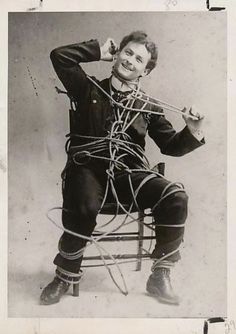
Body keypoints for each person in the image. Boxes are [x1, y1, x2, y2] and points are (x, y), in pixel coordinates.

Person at [40, 31, 205, 306]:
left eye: (139, 59)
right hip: (87, 170)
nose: (130, 61)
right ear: (117, 55)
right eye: (127, 53)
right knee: (84, 205)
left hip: (128, 175)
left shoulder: (149, 105)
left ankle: (160, 274)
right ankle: (65, 274)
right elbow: (59, 57)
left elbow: (170, 146)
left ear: (146, 70)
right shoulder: (87, 88)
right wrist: (96, 50)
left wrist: (193, 130)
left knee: (176, 196)